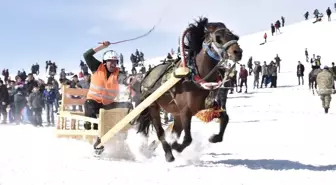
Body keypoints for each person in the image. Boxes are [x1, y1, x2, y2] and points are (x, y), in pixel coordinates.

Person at [83, 41, 134, 130]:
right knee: (88, 104)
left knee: (128, 105)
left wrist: (129, 80)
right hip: (93, 103)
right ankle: (93, 130)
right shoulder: (97, 67)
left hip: (108, 104)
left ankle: (127, 129)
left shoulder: (118, 73)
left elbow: (124, 78)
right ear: (105, 62)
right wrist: (102, 46)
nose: (113, 64)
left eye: (115, 62)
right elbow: (86, 55)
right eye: (111, 61)